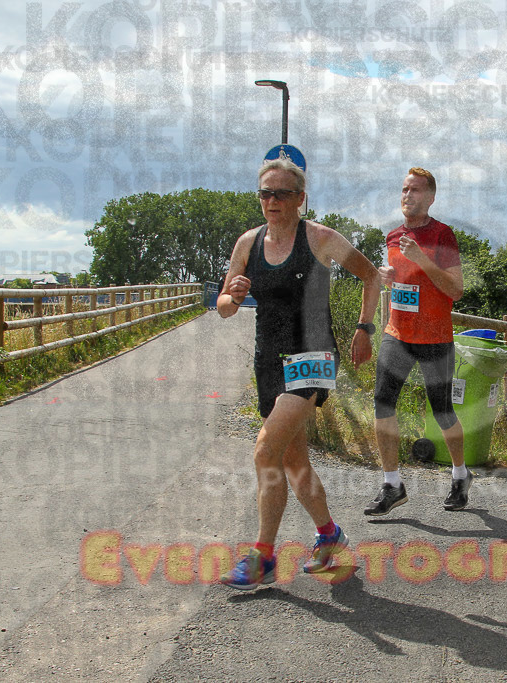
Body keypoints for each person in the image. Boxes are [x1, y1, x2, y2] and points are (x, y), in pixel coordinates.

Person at [215, 157, 380, 590]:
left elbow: (371, 276)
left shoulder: (320, 239)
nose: (272, 201)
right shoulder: (247, 244)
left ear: (300, 198)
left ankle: (263, 557)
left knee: (266, 450)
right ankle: (330, 537)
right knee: (294, 461)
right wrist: (232, 295)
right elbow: (225, 308)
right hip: (268, 360)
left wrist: (364, 328)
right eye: (266, 193)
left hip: (313, 357)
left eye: (282, 193)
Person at [365, 167, 470, 516]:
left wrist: (422, 259)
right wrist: (388, 278)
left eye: (415, 190)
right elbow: (403, 282)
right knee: (382, 402)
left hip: (435, 336)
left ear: (430, 197)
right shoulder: (393, 237)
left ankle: (460, 476)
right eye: (404, 189)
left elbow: (455, 289)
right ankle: (392, 484)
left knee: (442, 411)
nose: (407, 195)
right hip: (398, 333)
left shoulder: (443, 235)